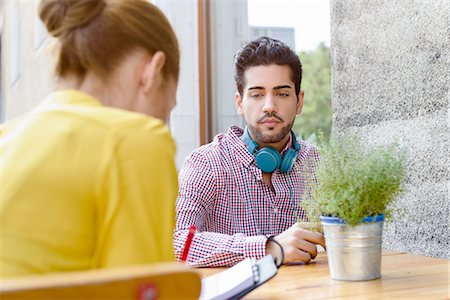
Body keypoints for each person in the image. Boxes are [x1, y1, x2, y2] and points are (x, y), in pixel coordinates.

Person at [0, 0, 180, 277]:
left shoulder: (7, 137)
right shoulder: (135, 141)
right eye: (166, 110)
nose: (161, 123)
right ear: (151, 72)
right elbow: (141, 292)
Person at [174, 36, 325, 267]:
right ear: (239, 103)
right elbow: (179, 243)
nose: (269, 106)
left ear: (299, 101)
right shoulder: (205, 163)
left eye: (282, 93)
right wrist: (268, 248)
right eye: (256, 94)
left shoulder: (319, 164)